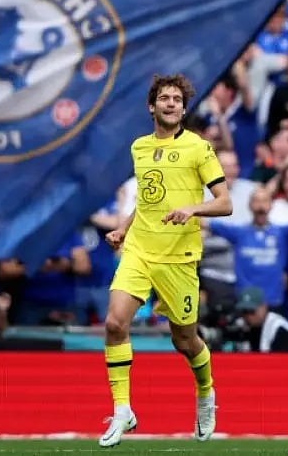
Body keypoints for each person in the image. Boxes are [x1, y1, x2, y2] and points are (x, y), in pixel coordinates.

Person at [98, 74, 233, 447]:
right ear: (152, 106)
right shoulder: (139, 147)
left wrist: (192, 208)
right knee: (113, 323)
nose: (171, 103)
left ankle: (206, 391)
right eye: (164, 98)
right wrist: (125, 228)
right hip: (140, 249)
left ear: (184, 108)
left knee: (184, 340)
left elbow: (225, 202)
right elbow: (148, 200)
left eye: (177, 99)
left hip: (179, 256)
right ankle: (123, 410)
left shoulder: (199, 148)